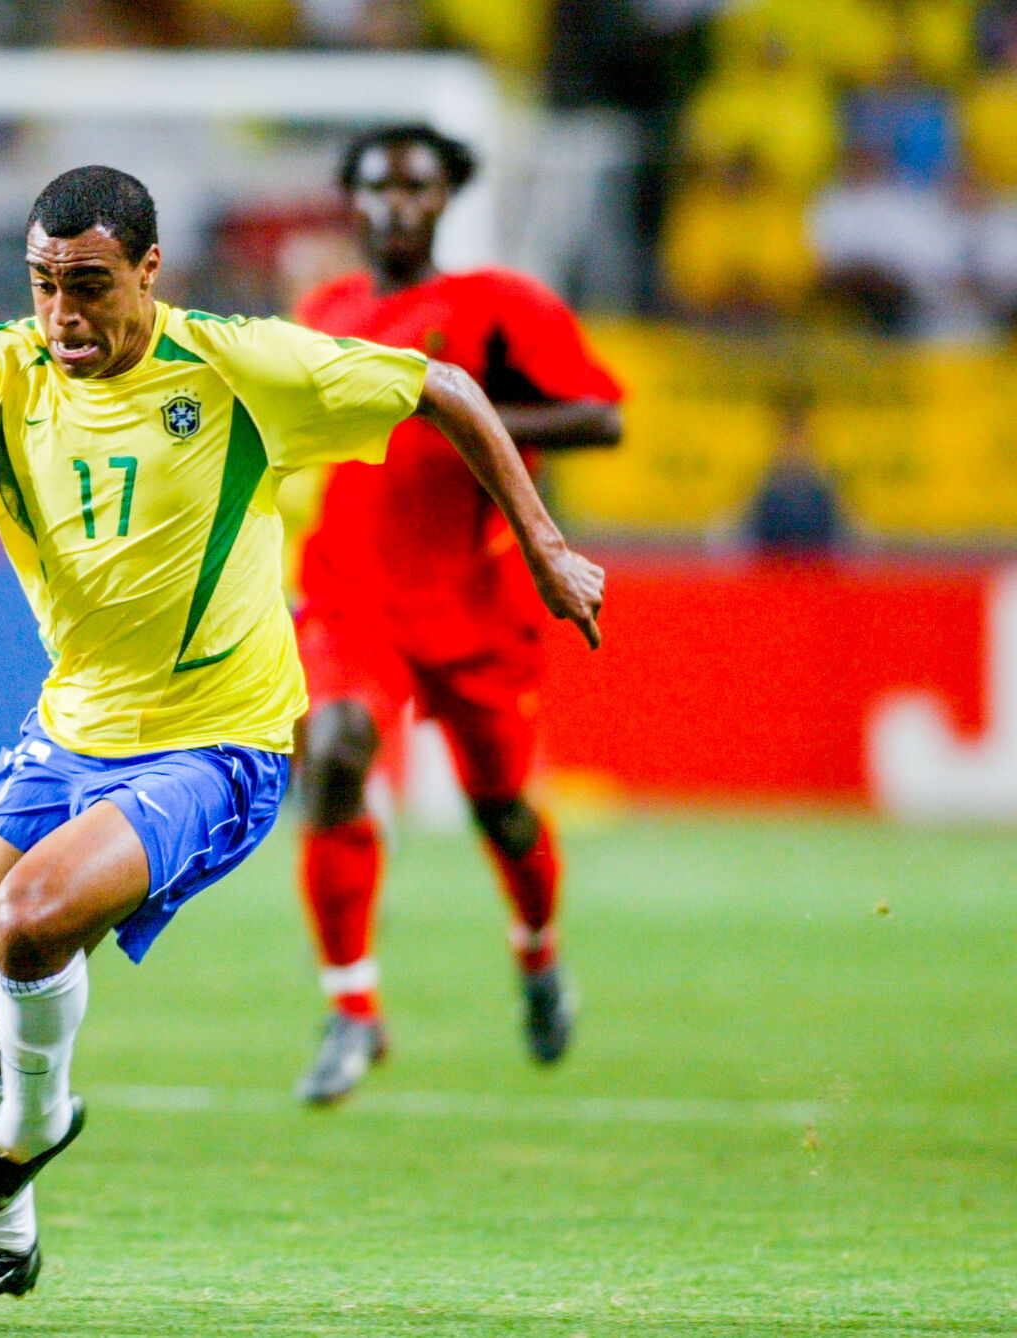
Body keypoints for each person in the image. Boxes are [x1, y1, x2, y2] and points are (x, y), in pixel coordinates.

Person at [0, 165, 604, 1300]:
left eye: (86, 285)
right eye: (41, 284)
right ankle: (7, 1239)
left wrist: (540, 545)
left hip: (216, 745)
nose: (61, 313)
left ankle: (25, 1138)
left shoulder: (236, 365)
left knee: (30, 923)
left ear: (147, 270)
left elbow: (444, 388)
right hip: (68, 728)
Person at [288, 124, 624, 1106]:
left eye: (417, 188)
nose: (396, 205)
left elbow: (598, 416)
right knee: (338, 751)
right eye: (377, 187)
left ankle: (536, 953)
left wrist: (457, 409)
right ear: (351, 201)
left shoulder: (495, 306)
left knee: (502, 810)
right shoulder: (323, 312)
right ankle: (350, 1011)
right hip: (350, 594)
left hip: (471, 604)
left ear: (445, 200)